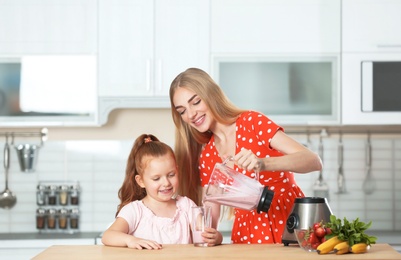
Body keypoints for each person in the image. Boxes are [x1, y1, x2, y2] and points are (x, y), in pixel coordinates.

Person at [169, 68, 323, 244]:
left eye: (195, 102)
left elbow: (313, 161)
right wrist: (208, 234)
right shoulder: (207, 156)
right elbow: (210, 214)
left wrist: (263, 163)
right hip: (247, 234)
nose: (190, 114)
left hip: (289, 221)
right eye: (182, 111)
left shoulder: (252, 122)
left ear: (211, 95)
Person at [101, 134, 223, 249]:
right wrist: (131, 240)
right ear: (141, 181)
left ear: (177, 171)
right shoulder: (135, 211)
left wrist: (216, 238)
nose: (166, 183)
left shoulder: (186, 206)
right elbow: (108, 236)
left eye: (171, 175)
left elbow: (206, 234)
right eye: (156, 178)